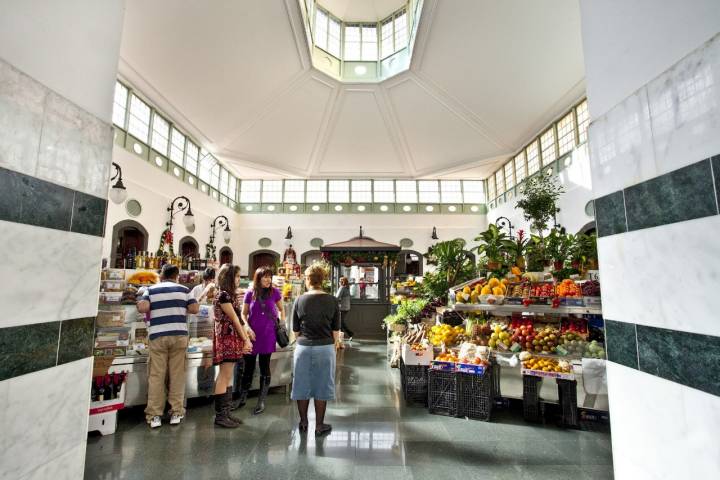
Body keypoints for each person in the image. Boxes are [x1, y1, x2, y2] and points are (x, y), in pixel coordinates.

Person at [136, 264, 199, 428]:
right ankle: (176, 412)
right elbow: (194, 308)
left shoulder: (151, 289)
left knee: (156, 375)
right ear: (177, 275)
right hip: (179, 335)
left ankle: (154, 415)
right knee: (177, 374)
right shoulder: (185, 290)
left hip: (158, 336)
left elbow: (143, 307)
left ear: (162, 275)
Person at [291, 264, 341, 437]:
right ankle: (319, 425)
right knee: (322, 385)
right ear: (323, 280)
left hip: (303, 348)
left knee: (301, 384)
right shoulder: (332, 300)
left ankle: (304, 421)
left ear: (308, 280)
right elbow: (336, 331)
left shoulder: (299, 300)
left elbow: (295, 330)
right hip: (325, 348)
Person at [237, 266, 285, 415]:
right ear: (258, 278)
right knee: (248, 368)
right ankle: (243, 398)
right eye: (265, 277)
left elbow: (282, 309)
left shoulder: (275, 292)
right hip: (251, 336)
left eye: (270, 277)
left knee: (265, 367)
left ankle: (261, 400)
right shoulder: (250, 294)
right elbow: (243, 314)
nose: (268, 280)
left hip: (268, 335)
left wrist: (281, 323)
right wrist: (247, 328)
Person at [212, 264, 253, 428]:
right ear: (228, 278)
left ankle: (226, 412)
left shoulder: (229, 295)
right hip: (226, 339)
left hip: (231, 338)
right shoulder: (223, 296)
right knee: (224, 375)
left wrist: (246, 334)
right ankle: (220, 416)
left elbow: (239, 319)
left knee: (227, 375)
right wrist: (246, 340)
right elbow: (235, 319)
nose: (239, 280)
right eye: (236, 276)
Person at [335, 276, 354, 343]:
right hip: (347, 307)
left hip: (342, 307)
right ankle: (341, 338)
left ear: (342, 282)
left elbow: (337, 298)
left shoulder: (342, 288)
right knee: (341, 322)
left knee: (341, 323)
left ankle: (350, 334)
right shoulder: (347, 288)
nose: (339, 282)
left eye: (340, 281)